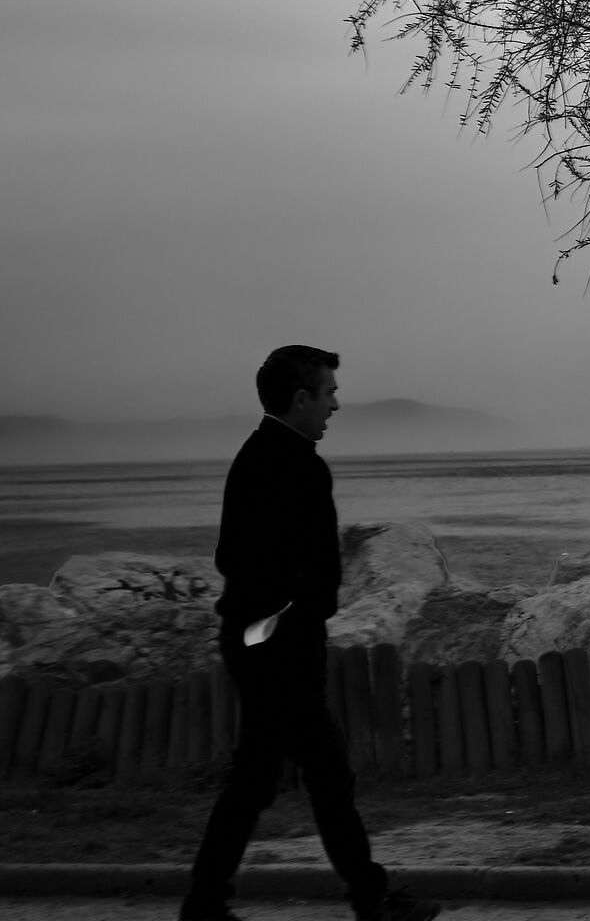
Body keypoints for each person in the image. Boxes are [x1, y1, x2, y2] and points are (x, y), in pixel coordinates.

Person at [179, 346, 438, 921]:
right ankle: (371, 900)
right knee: (325, 774)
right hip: (281, 649)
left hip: (258, 640)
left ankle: (204, 904)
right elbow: (310, 568)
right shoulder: (297, 463)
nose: (335, 405)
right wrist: (294, 611)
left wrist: (273, 611)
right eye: (328, 394)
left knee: (258, 780)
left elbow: (230, 557)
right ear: (301, 399)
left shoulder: (253, 456)